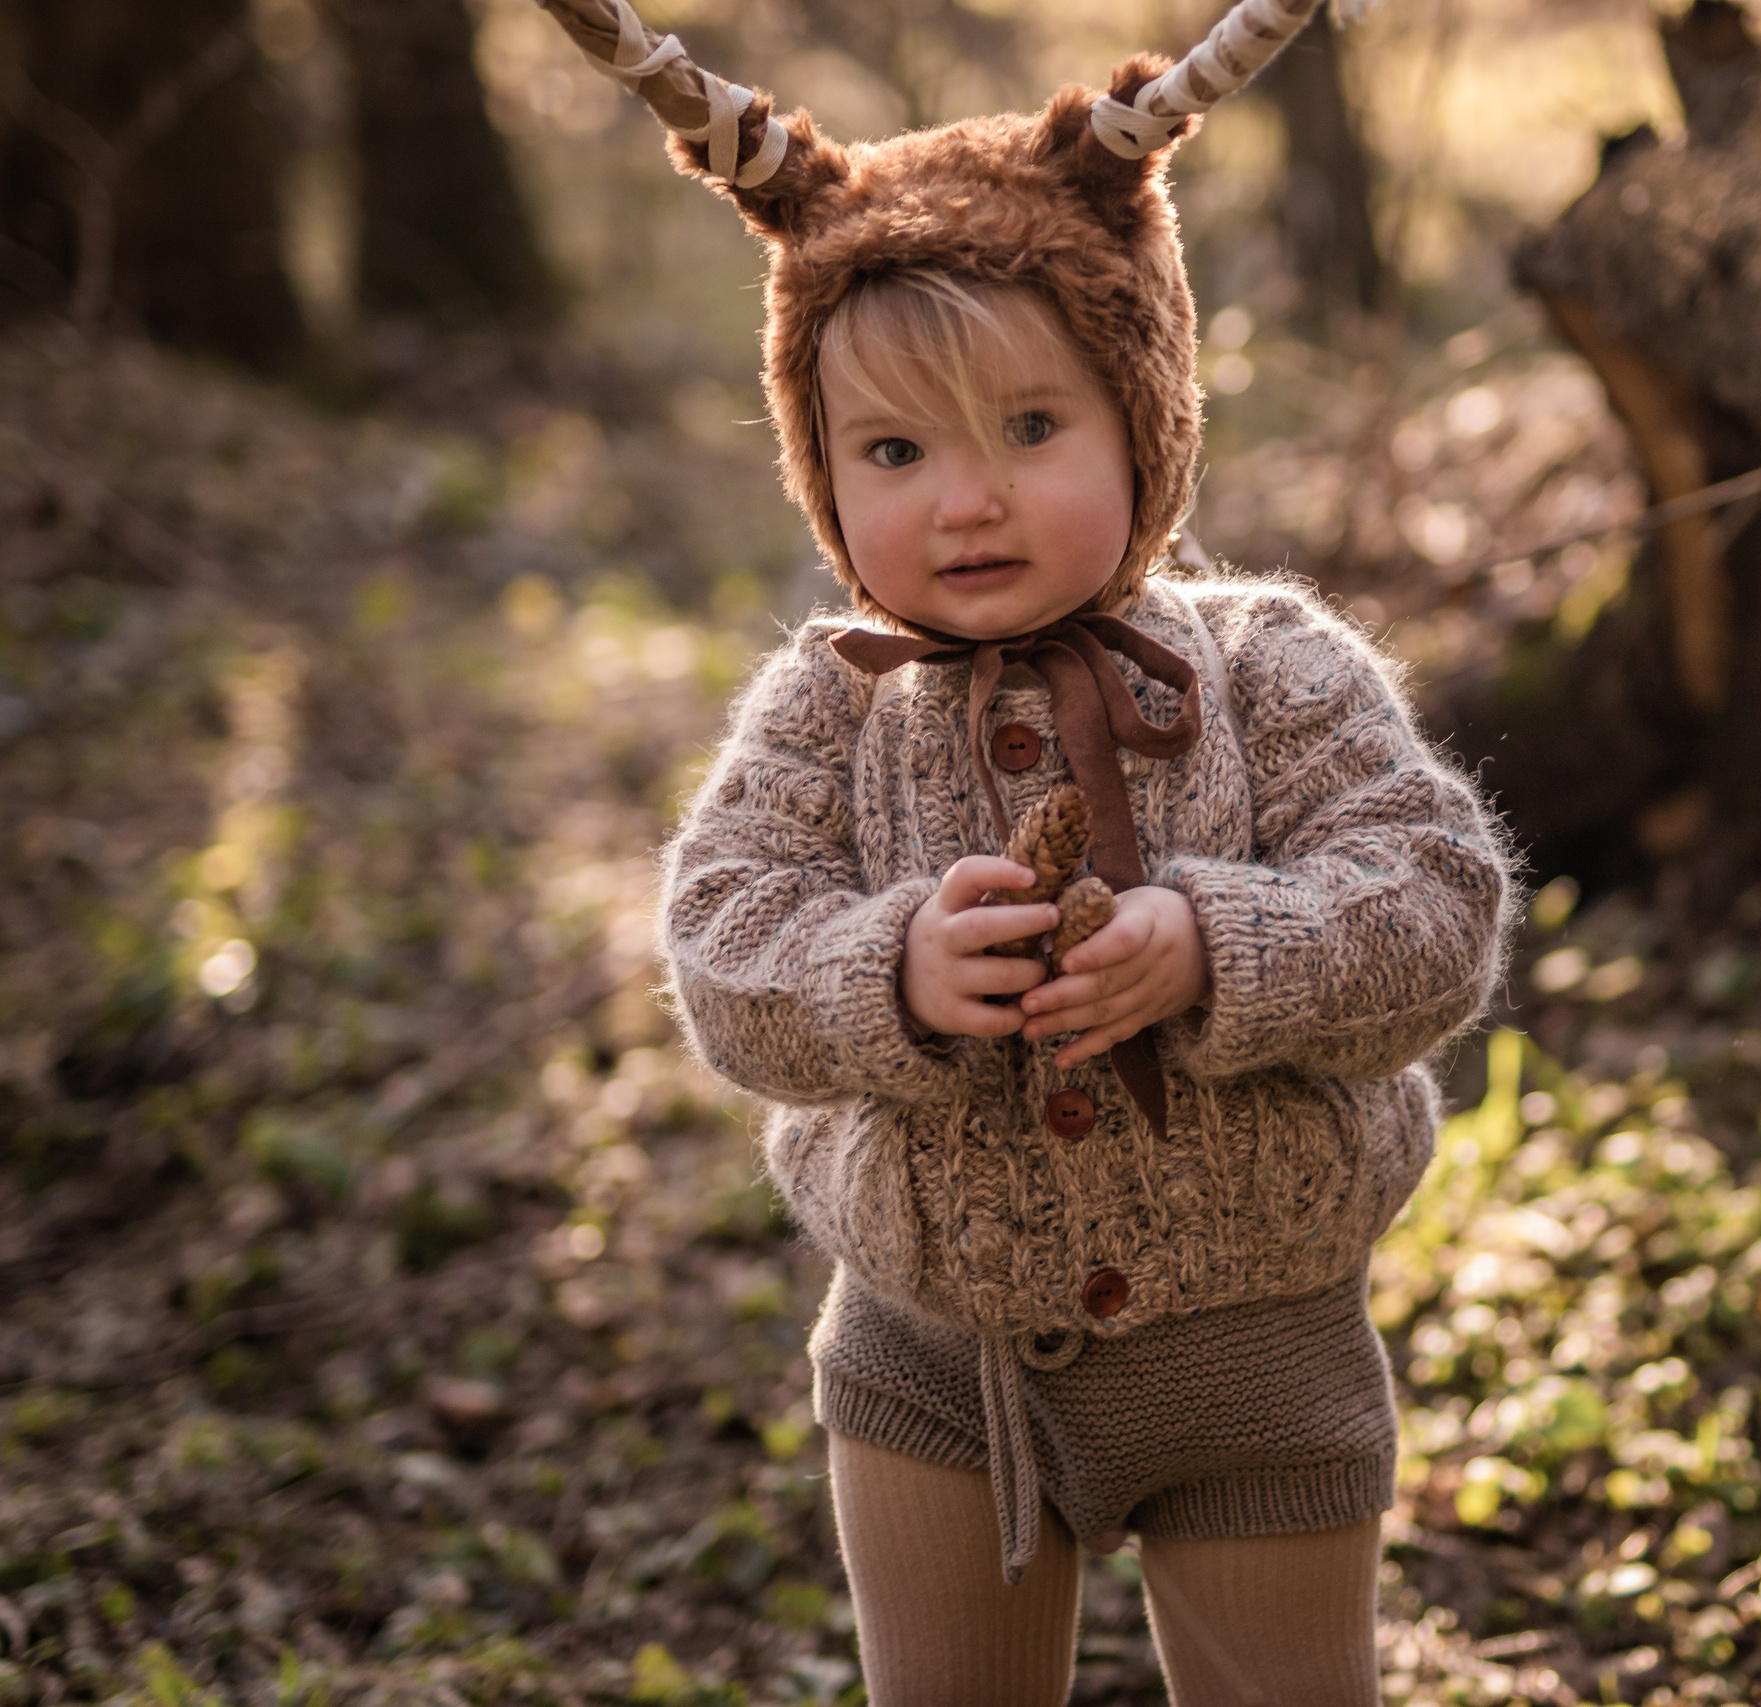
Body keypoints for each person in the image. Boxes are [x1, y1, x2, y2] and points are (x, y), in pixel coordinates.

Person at [528, 0, 1513, 1698]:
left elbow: (1436, 902)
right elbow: (724, 945)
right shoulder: (829, 707)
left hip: (1258, 1352)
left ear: (1148, 416)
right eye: (896, 453)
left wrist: (1224, 941)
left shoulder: (1272, 667)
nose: (964, 502)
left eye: (1032, 431)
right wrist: (886, 973)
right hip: (935, 1364)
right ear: (823, 475)